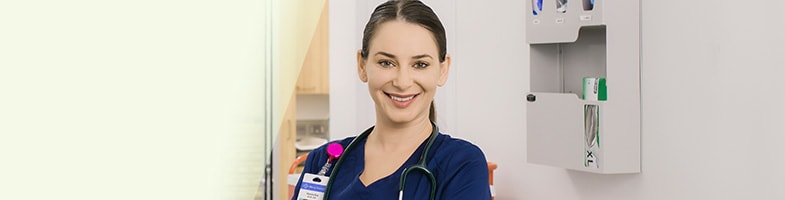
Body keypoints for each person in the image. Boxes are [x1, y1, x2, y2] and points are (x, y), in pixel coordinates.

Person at [292, 0, 491, 199]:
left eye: (420, 64)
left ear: (443, 69)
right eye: (386, 63)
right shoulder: (324, 162)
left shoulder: (461, 164)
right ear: (362, 66)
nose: (402, 82)